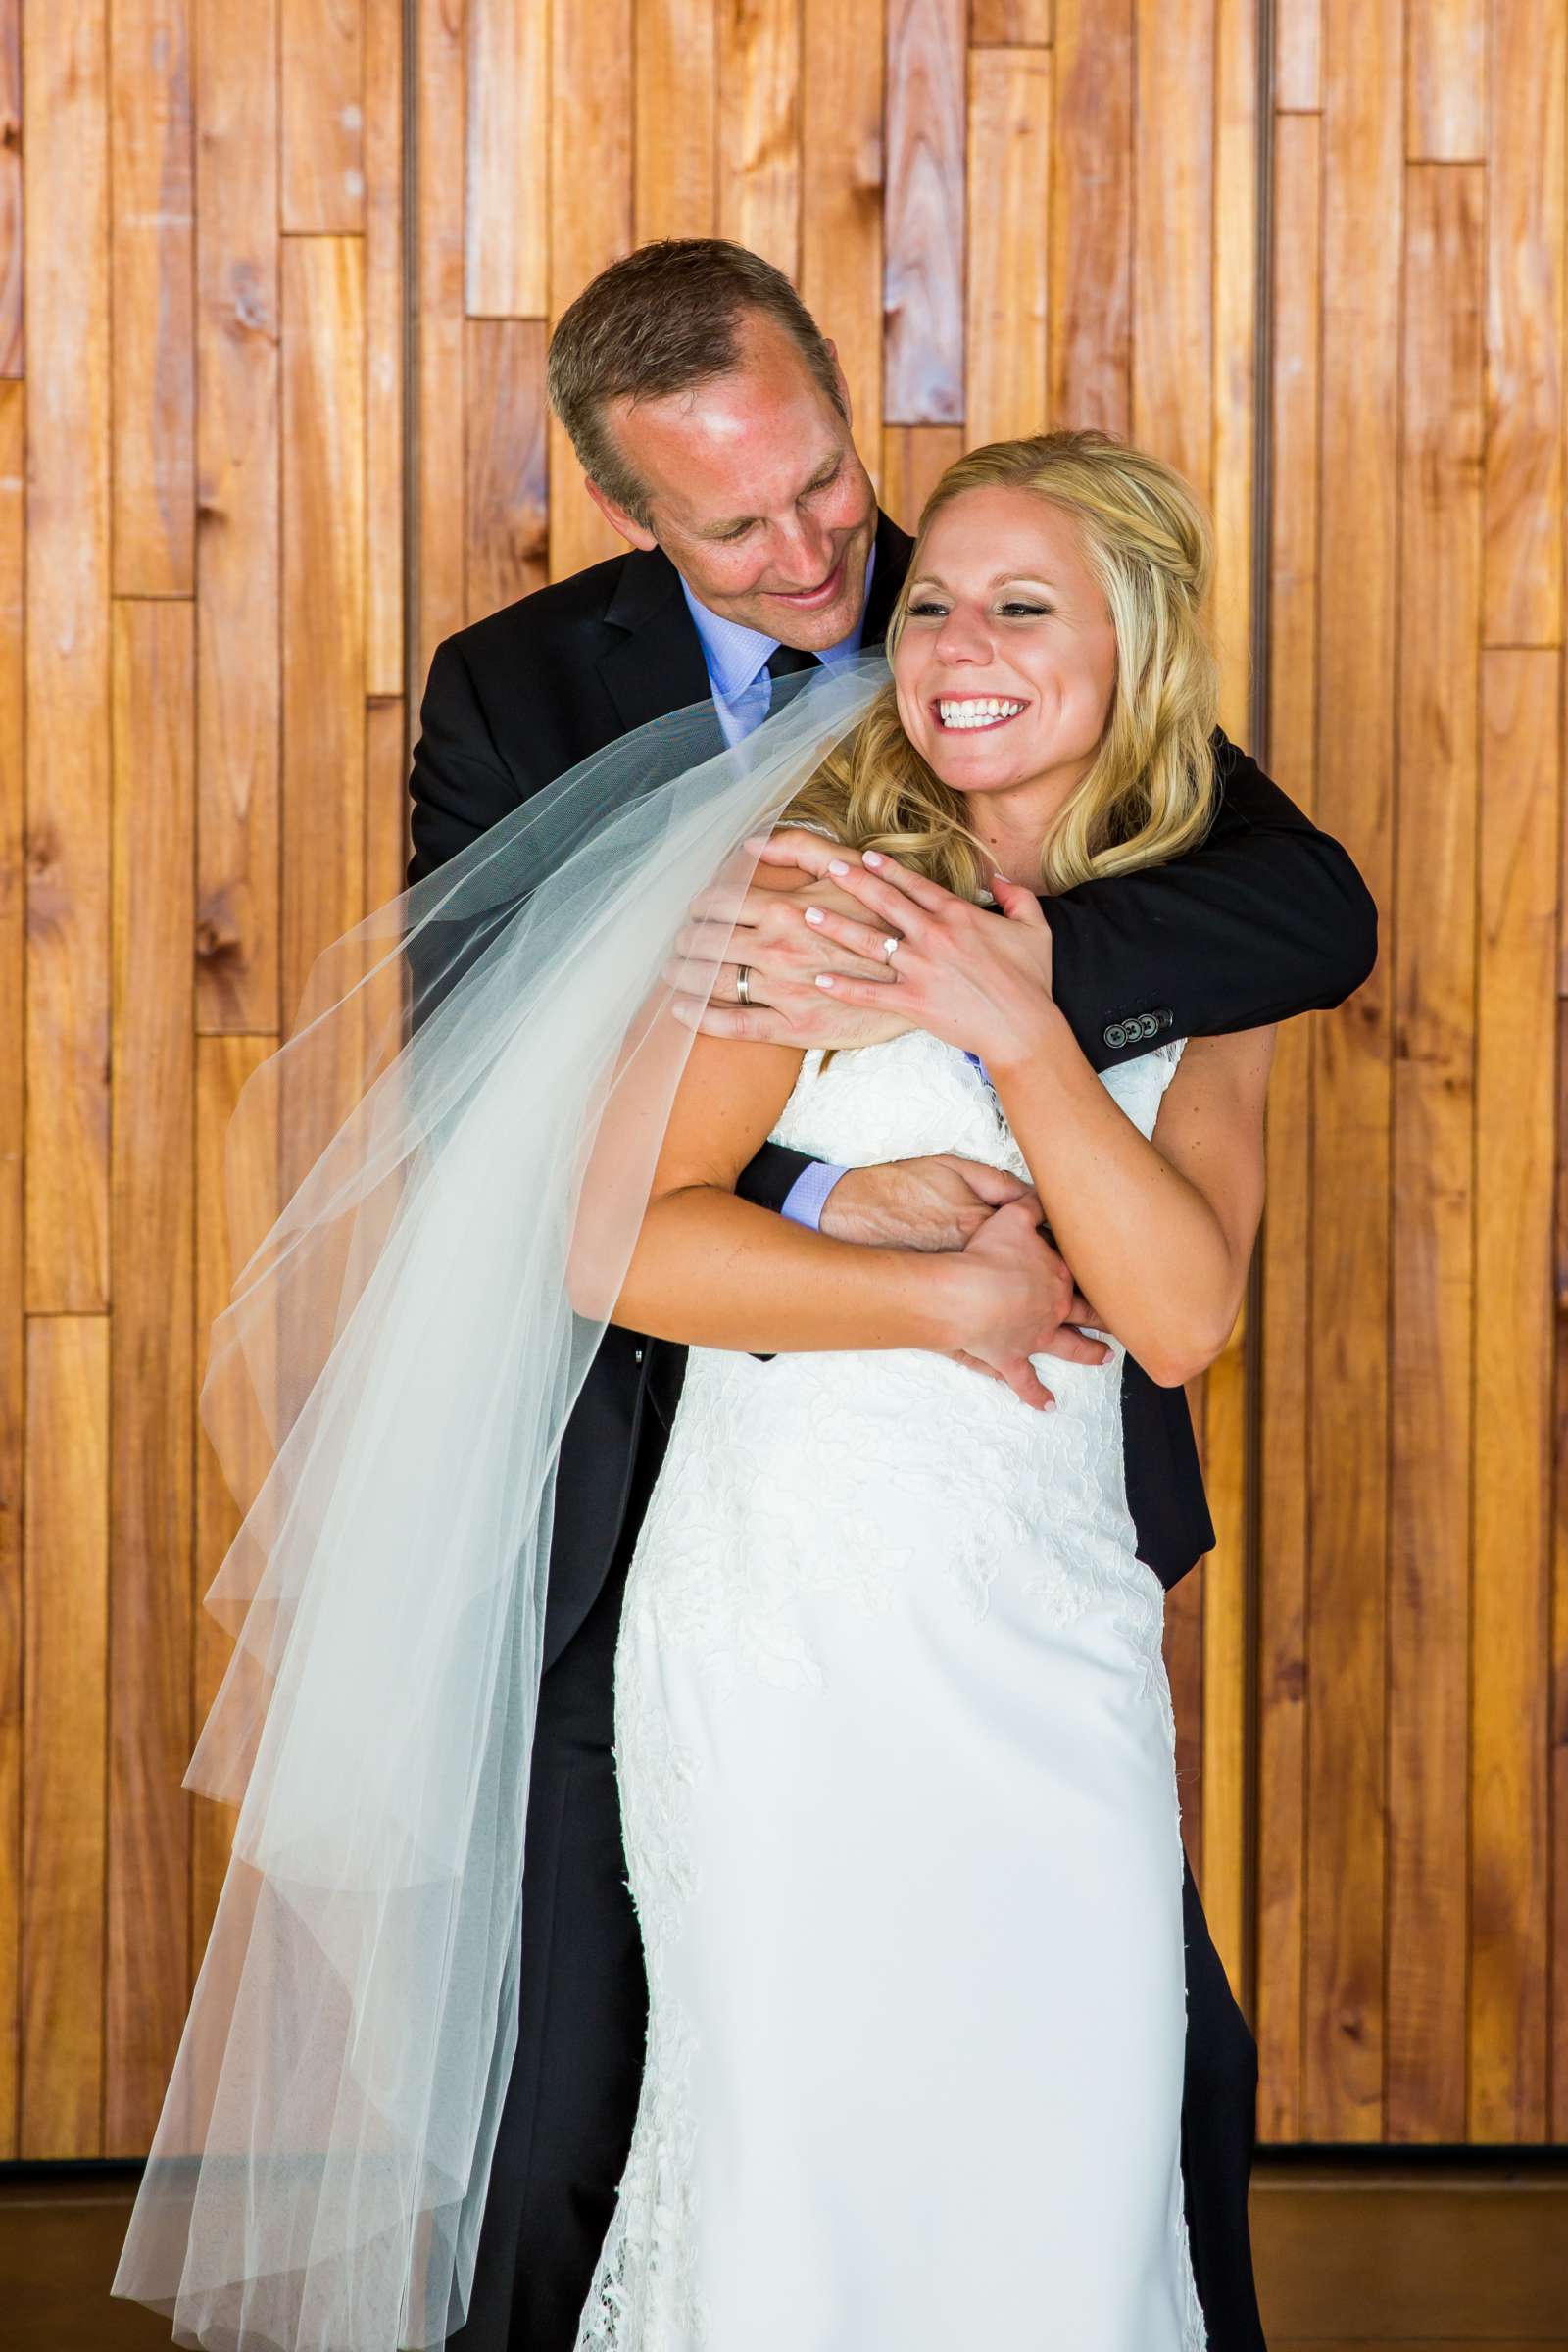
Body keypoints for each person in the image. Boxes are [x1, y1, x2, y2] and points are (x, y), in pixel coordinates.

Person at [413, 241, 1375, 2352]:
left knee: (1111, 2099)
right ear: (632, 514)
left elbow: (1303, 945)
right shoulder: (579, 733)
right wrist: (856, 1211)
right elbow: (501, 1118)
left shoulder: (1102, 755)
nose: (836, 570)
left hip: (1044, 1590)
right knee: (657, 2090)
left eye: (840, 500)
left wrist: (1016, 1012)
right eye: (741, 527)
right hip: (730, 1530)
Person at [570, 424, 1274, 2351]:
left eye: (1020, 604)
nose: (958, 640)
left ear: (1135, 642)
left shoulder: (1217, 932)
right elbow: (613, 1243)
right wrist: (945, 1297)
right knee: (812, 2177)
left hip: (1054, 1631)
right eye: (938, 600)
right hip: (794, 1618)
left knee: (1070, 2162)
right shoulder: (801, 895)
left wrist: (1010, 1030)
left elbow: (1182, 1311)